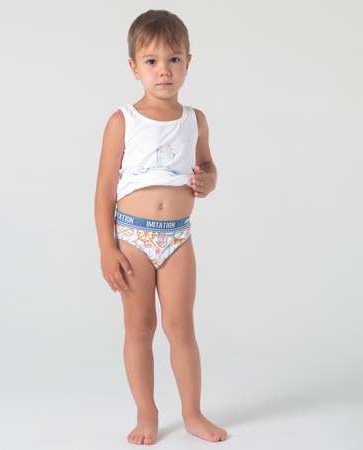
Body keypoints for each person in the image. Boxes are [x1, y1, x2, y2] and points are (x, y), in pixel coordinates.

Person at [94, 9, 228, 445]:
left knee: (181, 327)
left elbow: (207, 167)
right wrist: (107, 248)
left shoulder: (195, 120)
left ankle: (192, 412)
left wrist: (208, 181)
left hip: (177, 238)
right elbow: (104, 190)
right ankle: (146, 412)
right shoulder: (123, 121)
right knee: (140, 328)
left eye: (173, 59)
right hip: (132, 238)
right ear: (134, 67)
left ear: (188, 62)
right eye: (151, 61)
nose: (164, 70)